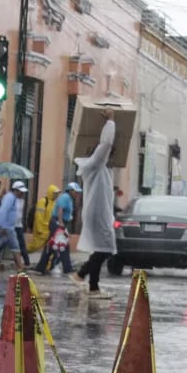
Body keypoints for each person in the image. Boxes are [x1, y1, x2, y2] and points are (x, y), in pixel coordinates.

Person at [69, 108, 117, 299]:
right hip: (97, 214)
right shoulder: (93, 165)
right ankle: (89, 282)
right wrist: (110, 122)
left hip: (99, 212)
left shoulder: (99, 168)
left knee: (102, 249)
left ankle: (85, 278)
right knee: (105, 249)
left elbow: (105, 148)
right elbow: (105, 145)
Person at [34, 182, 82, 276]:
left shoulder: (69, 198)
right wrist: (61, 223)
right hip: (58, 222)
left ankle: (41, 267)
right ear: (70, 190)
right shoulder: (65, 197)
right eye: (75, 192)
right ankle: (67, 268)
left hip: (60, 222)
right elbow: (60, 209)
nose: (77, 194)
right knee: (63, 245)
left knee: (51, 245)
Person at [0, 181, 28, 272]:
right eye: (21, 192)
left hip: (9, 227)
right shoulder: (9, 198)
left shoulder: (13, 198)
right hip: (3, 226)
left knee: (14, 246)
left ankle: (20, 266)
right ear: (16, 191)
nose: (23, 194)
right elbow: (3, 211)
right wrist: (2, 226)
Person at [27, 184, 60, 252]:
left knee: (50, 247)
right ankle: (20, 254)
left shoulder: (54, 203)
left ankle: (48, 262)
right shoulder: (43, 201)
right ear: (51, 192)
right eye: (55, 193)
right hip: (41, 230)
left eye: (57, 194)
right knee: (34, 246)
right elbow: (39, 216)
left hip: (49, 229)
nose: (56, 195)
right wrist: (39, 229)